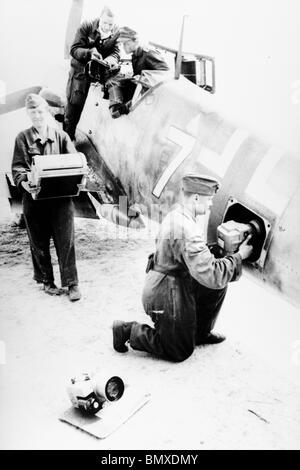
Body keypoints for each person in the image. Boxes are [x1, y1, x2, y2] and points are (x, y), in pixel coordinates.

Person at [112, 174, 253, 362]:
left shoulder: (178, 215)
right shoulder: (186, 228)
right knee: (179, 350)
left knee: (218, 281)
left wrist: (221, 255)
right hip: (164, 294)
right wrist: (240, 256)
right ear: (196, 198)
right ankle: (127, 331)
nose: (211, 204)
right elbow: (212, 274)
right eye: (209, 199)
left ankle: (199, 333)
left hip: (171, 282)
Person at [11, 93, 81, 301]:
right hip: (35, 201)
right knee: (39, 243)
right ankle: (47, 282)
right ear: (28, 114)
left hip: (61, 200)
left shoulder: (61, 137)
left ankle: (72, 284)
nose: (38, 116)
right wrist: (25, 182)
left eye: (41, 111)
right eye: (33, 113)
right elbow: (17, 169)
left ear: (46, 112)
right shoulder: (22, 138)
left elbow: (75, 162)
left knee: (66, 242)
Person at [64, 5, 120, 140]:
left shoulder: (117, 32)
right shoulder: (86, 27)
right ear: (99, 18)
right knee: (73, 109)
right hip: (80, 74)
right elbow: (74, 49)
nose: (107, 27)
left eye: (110, 24)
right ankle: (67, 139)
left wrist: (110, 60)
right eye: (105, 23)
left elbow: (116, 52)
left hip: (99, 75)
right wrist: (89, 53)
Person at [108, 26, 169, 118]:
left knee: (117, 83)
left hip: (148, 92)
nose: (123, 47)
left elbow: (166, 75)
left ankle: (120, 109)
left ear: (135, 41)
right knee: (114, 80)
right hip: (140, 87)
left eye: (125, 44)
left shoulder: (148, 54)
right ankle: (116, 107)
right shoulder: (135, 55)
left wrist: (143, 79)